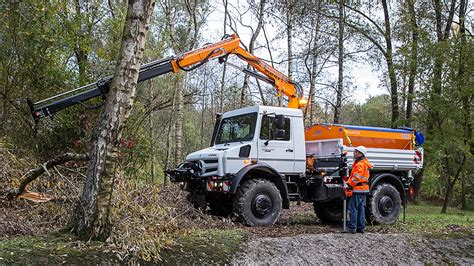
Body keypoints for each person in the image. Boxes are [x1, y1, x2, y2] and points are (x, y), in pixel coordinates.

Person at [344, 146, 373, 234]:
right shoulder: (364, 163)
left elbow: (357, 177)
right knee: (361, 209)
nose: (354, 153)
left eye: (356, 152)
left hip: (358, 189)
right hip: (363, 189)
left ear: (361, 154)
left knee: (353, 208)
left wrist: (349, 185)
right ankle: (361, 228)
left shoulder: (359, 164)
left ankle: (352, 228)